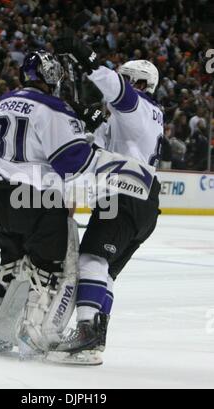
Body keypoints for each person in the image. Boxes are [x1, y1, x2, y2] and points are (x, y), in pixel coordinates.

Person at [0, 50, 103, 355]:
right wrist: (92, 141)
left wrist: (75, 120)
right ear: (51, 77)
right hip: (37, 198)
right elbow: (69, 161)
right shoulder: (54, 108)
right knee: (47, 270)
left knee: (10, 262)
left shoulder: (4, 101)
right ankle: (32, 336)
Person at [54, 39, 163, 363]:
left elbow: (118, 91)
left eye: (129, 78)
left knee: (90, 261)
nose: (123, 83)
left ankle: (87, 334)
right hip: (144, 202)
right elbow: (109, 136)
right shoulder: (142, 117)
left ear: (141, 84)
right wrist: (90, 120)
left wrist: (90, 63)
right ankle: (95, 343)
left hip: (126, 195)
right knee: (105, 274)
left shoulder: (138, 106)